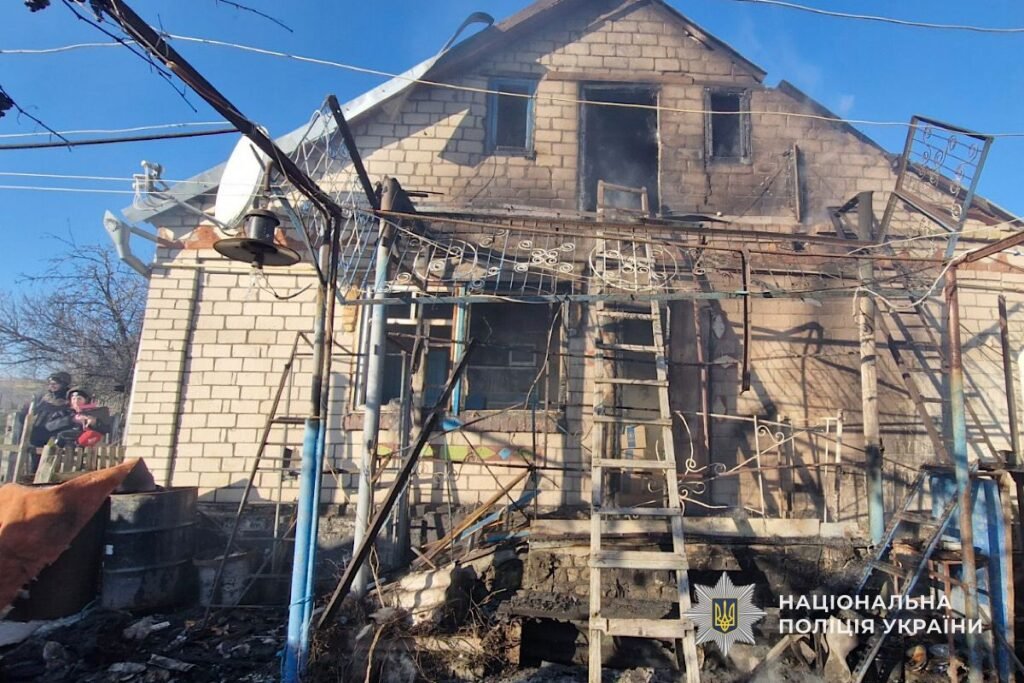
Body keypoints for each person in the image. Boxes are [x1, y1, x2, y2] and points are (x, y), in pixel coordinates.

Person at [19, 371, 73, 448]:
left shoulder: (70, 398)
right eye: (50, 383)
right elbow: (30, 412)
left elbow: (70, 418)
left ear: (64, 384)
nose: (52, 385)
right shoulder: (43, 397)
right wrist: (24, 413)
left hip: (58, 434)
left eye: (55, 383)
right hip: (39, 433)